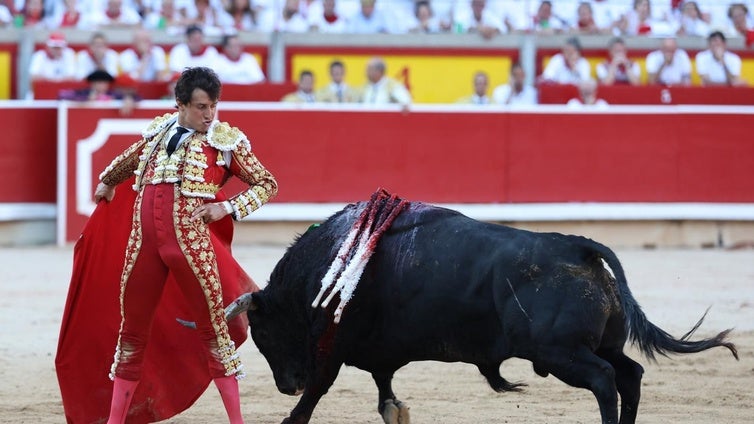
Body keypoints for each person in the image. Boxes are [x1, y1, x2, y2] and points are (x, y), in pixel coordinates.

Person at [92, 66, 277, 423]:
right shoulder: (159, 132)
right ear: (180, 105)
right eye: (201, 107)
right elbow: (129, 159)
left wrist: (227, 206)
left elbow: (267, 183)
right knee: (130, 333)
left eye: (213, 106)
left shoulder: (226, 142)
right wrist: (107, 182)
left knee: (214, 334)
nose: (209, 115)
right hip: (144, 247)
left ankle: (237, 422)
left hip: (191, 248)